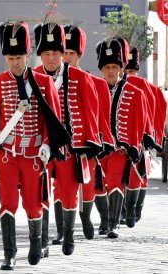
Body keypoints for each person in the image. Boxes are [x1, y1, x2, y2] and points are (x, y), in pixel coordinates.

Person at [0, 21, 69, 270]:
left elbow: (52, 119)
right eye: (10, 57)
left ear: (27, 56)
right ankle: (9, 253)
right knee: (8, 202)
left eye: (19, 57)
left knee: (33, 204)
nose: (15, 62)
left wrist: (47, 145)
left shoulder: (43, 83)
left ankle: (36, 244)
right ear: (6, 58)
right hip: (7, 154)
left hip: (34, 154)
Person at [33, 21, 101, 255]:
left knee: (69, 192)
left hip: (70, 147)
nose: (51, 58)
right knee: (40, 191)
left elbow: (90, 111)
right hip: (40, 146)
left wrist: (87, 144)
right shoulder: (32, 77)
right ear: (40, 55)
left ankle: (69, 235)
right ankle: (40, 240)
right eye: (46, 53)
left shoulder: (81, 78)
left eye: (55, 53)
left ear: (63, 54)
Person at [63, 24, 115, 237]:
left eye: (71, 53)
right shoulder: (49, 80)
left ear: (79, 55)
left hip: (87, 141)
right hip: (62, 144)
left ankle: (87, 219)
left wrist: (104, 141)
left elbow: (101, 116)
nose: (66, 57)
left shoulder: (95, 82)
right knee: (62, 189)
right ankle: (62, 229)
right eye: (63, 52)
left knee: (88, 185)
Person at [96, 37, 147, 238]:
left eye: (115, 66)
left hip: (120, 149)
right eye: (107, 66)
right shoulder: (93, 88)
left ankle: (114, 223)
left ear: (121, 68)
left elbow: (139, 123)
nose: (111, 71)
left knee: (116, 182)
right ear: (101, 69)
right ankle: (103, 219)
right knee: (97, 186)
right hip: (98, 149)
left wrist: (132, 146)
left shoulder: (134, 93)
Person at [124, 46, 168, 222]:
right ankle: (129, 209)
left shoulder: (146, 87)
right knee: (131, 175)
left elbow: (156, 112)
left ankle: (132, 208)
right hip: (134, 136)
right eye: (126, 70)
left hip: (140, 136)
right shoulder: (151, 88)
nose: (128, 74)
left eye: (131, 71)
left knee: (137, 174)